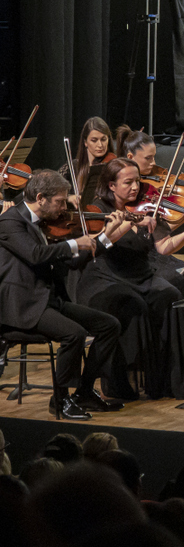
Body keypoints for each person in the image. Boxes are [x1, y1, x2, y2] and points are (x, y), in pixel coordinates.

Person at [0, 170, 128, 420]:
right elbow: (35, 255)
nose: (63, 208)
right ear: (40, 198)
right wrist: (74, 243)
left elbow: (70, 263)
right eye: (59, 202)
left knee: (109, 325)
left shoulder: (45, 223)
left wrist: (105, 236)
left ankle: (84, 392)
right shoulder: (9, 222)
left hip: (47, 299)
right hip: (21, 306)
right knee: (74, 333)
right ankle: (59, 400)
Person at [75, 158, 184, 400]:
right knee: (132, 304)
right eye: (128, 182)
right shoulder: (99, 210)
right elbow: (99, 243)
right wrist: (129, 222)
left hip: (140, 273)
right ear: (112, 185)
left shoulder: (145, 205)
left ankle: (166, 381)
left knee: (171, 296)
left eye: (137, 181)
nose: (135, 187)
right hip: (107, 276)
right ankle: (123, 382)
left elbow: (164, 247)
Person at [117, 126, 184, 366]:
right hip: (134, 257)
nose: (154, 164)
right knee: (175, 280)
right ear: (130, 157)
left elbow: (165, 228)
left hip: (154, 250)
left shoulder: (148, 190)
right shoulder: (117, 190)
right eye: (148, 158)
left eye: (154, 157)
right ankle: (164, 350)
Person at [59, 117, 115, 202]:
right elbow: (52, 190)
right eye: (94, 140)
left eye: (103, 139)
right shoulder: (72, 166)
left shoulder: (113, 165)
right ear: (85, 142)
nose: (100, 145)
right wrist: (68, 197)